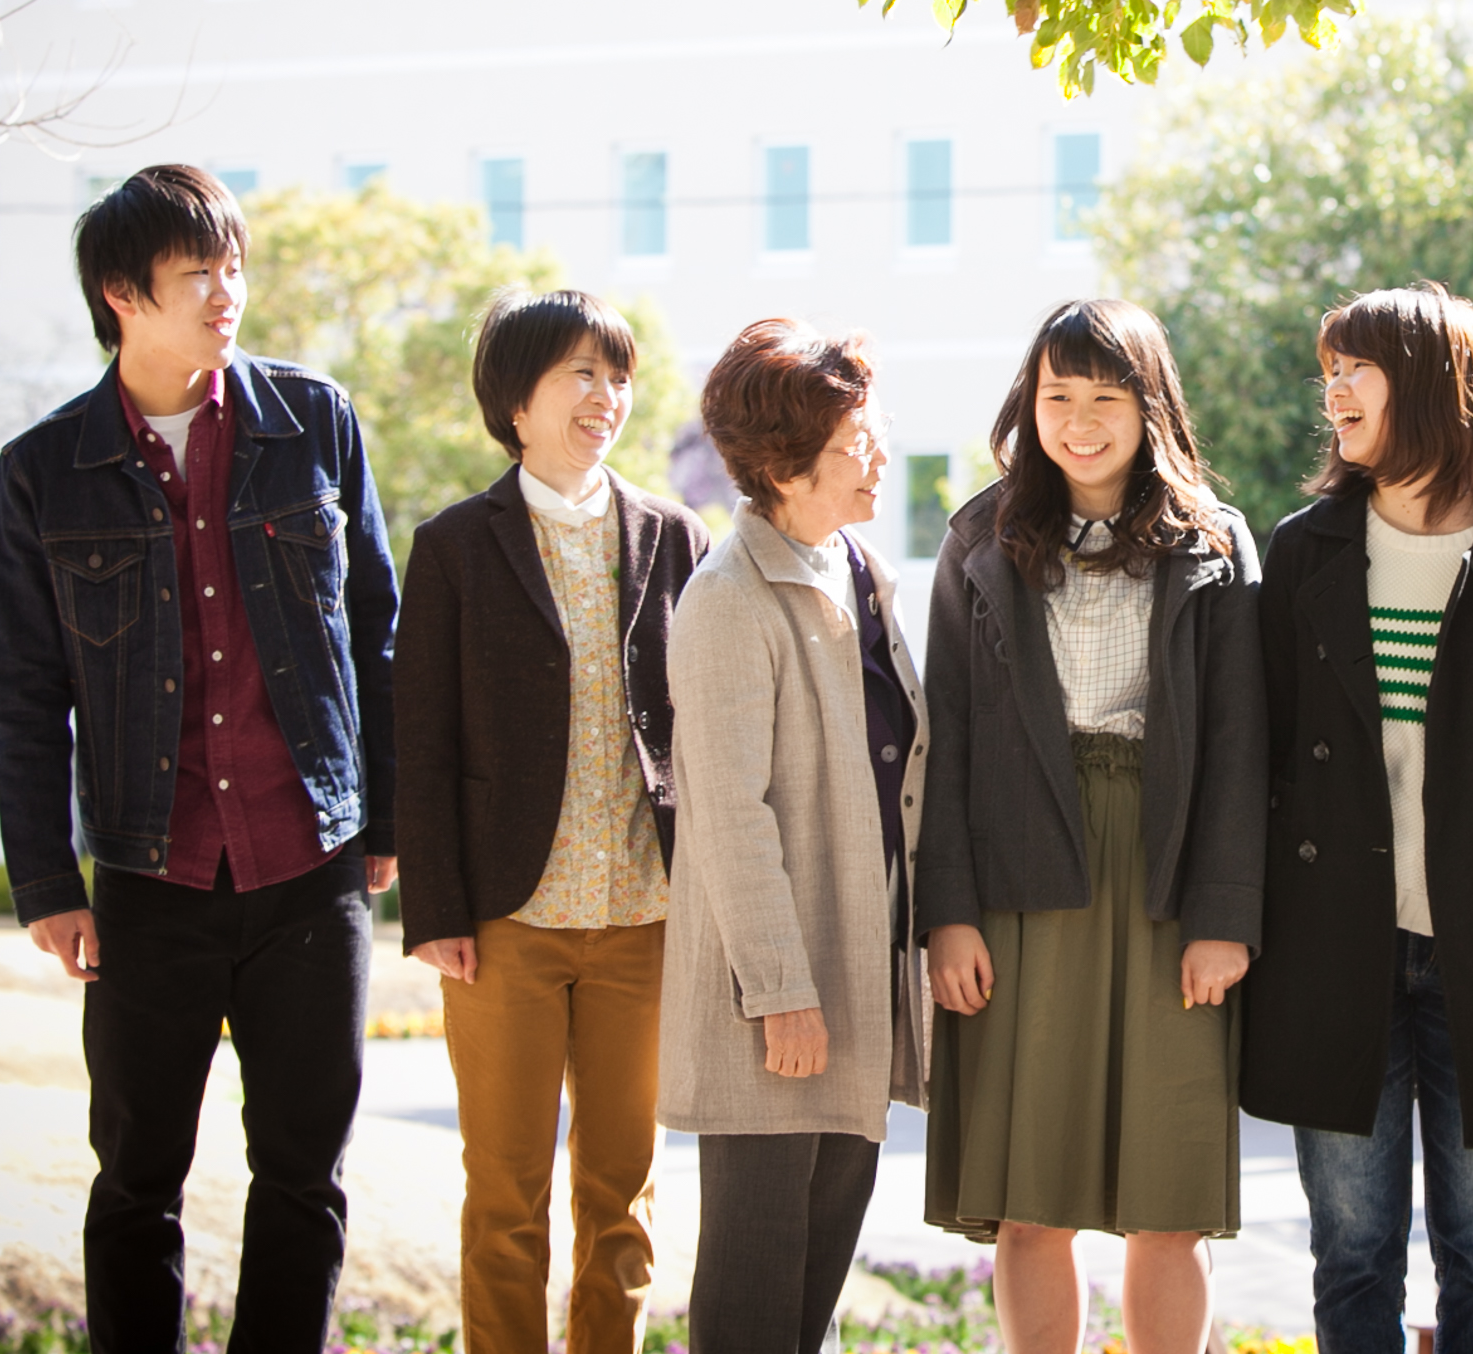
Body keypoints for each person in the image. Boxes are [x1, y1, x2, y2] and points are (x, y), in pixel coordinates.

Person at [0, 164, 399, 1349]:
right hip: (147, 875)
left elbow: (377, 629)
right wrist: (46, 883)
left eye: (234, 267)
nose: (228, 293)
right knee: (135, 1180)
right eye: (196, 273)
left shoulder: (312, 421)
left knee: (305, 1176)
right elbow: (27, 691)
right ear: (122, 294)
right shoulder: (43, 470)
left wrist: (383, 819)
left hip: (309, 866)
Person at [1242, 283, 1473, 1354]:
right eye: (1330, 371)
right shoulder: (1306, 548)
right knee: (1352, 1253)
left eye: (1356, 368)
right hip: (1336, 945)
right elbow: (1271, 758)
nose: (1333, 392)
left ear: (1431, 381)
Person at [918, 298, 1269, 1354]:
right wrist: (948, 914)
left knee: (1170, 1198)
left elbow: (1242, 743)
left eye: (1106, 398)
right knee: (1032, 1200)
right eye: (1056, 396)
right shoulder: (979, 537)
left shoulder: (1214, 542)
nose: (1078, 422)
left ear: (1150, 406)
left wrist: (1226, 916)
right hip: (1022, 874)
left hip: (1168, 878)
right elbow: (948, 739)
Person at [394, 289, 710, 1353]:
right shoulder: (453, 546)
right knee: (506, 1195)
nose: (605, 395)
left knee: (625, 1194)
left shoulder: (674, 537)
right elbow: (421, 739)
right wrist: (438, 909)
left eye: (617, 376)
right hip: (505, 927)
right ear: (515, 402)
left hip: (643, 919)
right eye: (580, 373)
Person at [660, 319, 931, 1353]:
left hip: (853, 979)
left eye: (876, 429)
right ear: (782, 467)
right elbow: (730, 818)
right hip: (780, 1002)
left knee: (810, 1290)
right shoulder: (727, 599)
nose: (881, 456)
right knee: (753, 1296)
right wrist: (780, 992)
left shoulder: (856, 569)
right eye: (857, 443)